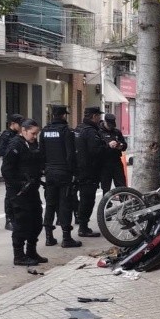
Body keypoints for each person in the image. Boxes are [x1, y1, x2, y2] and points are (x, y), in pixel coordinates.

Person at [1, 118, 46, 266]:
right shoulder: (15, 145)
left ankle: (31, 252)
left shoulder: (32, 144)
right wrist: (19, 185)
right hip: (19, 192)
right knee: (21, 224)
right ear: (24, 131)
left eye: (36, 134)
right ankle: (19, 256)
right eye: (33, 133)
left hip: (32, 190)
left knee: (37, 222)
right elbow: (6, 170)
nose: (35, 136)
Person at [40, 105, 82, 249]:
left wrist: (44, 170)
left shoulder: (45, 131)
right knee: (65, 204)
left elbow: (42, 153)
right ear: (63, 115)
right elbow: (71, 155)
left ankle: (48, 237)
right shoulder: (66, 131)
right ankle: (66, 237)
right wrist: (74, 173)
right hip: (64, 173)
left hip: (50, 173)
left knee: (50, 204)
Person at [75, 107, 109, 237]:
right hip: (89, 171)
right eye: (98, 116)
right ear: (94, 116)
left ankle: (82, 224)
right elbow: (96, 151)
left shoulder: (78, 129)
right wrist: (106, 147)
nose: (99, 119)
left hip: (79, 170)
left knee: (83, 198)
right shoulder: (90, 131)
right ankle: (83, 227)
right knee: (88, 200)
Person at [0, 113, 24, 231]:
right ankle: (9, 219)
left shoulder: (20, 135)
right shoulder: (6, 135)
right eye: (20, 123)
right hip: (10, 168)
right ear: (13, 124)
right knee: (10, 194)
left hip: (20, 168)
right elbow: (2, 151)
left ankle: (18, 216)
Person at [99, 113, 128, 191]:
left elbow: (124, 145)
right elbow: (97, 148)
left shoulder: (117, 132)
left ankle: (124, 201)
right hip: (104, 163)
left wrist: (121, 146)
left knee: (121, 186)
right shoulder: (99, 132)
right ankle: (107, 203)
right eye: (109, 125)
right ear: (105, 122)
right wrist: (108, 145)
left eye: (112, 125)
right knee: (106, 187)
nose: (111, 127)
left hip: (116, 161)